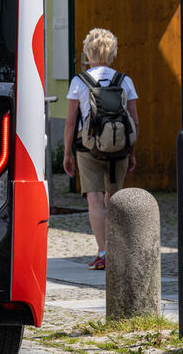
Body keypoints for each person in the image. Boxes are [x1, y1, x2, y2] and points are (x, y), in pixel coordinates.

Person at [62, 28, 139, 270]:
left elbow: (71, 121)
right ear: (112, 52)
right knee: (114, 199)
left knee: (95, 200)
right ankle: (119, 251)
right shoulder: (124, 80)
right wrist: (132, 151)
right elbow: (134, 121)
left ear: (88, 51)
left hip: (88, 149)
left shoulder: (79, 82)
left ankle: (104, 252)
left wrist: (67, 153)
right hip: (119, 149)